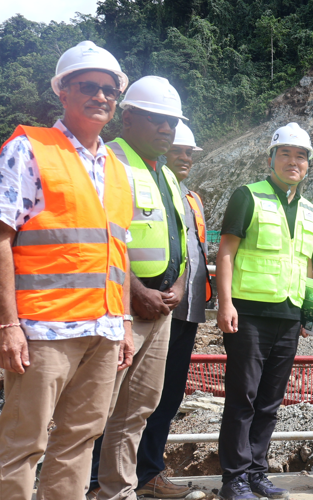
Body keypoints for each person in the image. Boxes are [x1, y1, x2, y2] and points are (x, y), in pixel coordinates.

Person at [0, 40, 133, 500]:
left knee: (77, 442)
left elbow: (117, 253)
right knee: (23, 443)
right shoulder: (29, 149)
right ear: (62, 92)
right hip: (43, 330)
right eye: (87, 86)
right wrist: (8, 325)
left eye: (109, 88)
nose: (100, 96)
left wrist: (124, 321)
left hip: (103, 330)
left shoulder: (117, 166)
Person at [89, 75, 189, 500]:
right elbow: (102, 238)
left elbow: (180, 239)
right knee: (97, 407)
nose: (166, 129)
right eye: (156, 120)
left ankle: (118, 491)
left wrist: (180, 283)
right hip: (123, 306)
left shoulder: (165, 174)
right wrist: (135, 291)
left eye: (171, 121)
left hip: (162, 307)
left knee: (138, 409)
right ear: (128, 117)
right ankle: (84, 487)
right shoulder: (110, 162)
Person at [215, 122, 313, 499]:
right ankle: (234, 478)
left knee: (271, 400)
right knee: (242, 395)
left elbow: (305, 264)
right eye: (287, 154)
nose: (294, 161)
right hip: (250, 314)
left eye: (302, 155)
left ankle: (257, 471)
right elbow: (226, 251)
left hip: (289, 316)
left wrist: (308, 313)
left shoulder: (309, 210)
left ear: (308, 164)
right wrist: (224, 303)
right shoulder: (249, 196)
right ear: (272, 158)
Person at [134, 122, 211, 498]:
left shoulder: (192, 198)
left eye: (190, 152)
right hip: (155, 308)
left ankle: (149, 473)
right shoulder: (150, 187)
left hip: (188, 310)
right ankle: (104, 477)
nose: (185, 157)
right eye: (179, 150)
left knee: (167, 398)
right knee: (134, 399)